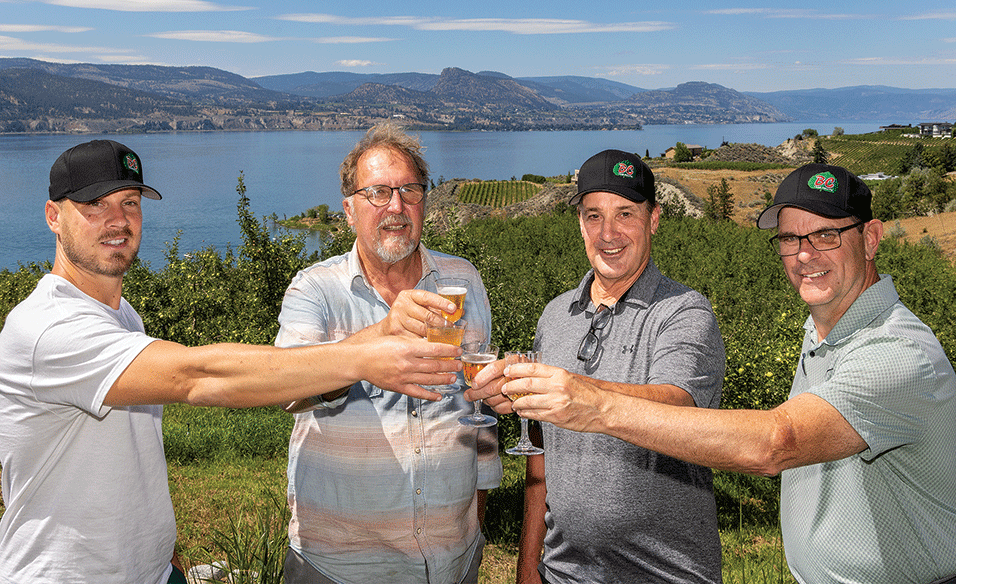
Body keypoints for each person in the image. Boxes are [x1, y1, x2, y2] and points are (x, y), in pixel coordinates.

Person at [0, 139, 461, 584]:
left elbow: (121, 458)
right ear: (53, 217)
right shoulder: (47, 330)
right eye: (95, 205)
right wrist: (365, 353)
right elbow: (195, 376)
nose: (118, 220)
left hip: (151, 570)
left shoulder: (121, 315)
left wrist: (164, 549)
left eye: (130, 202)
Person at [493, 164, 957, 584]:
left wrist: (587, 402)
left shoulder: (896, 352)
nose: (805, 255)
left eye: (827, 235)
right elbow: (541, 465)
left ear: (872, 238)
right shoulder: (825, 336)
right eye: (791, 239)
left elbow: (775, 443)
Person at [466, 148, 726, 584]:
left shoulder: (683, 313)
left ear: (654, 220)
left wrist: (573, 392)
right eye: (593, 216)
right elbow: (539, 459)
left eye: (625, 214)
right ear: (579, 224)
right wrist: (530, 569)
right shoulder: (555, 316)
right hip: (564, 574)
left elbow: (677, 406)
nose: (608, 233)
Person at [272, 123, 502, 584]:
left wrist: (477, 511)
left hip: (453, 561)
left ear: (425, 202)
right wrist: (383, 332)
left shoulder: (462, 280)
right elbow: (287, 387)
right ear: (349, 209)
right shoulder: (314, 289)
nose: (395, 206)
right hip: (342, 565)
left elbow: (475, 405)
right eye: (377, 193)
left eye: (410, 191)